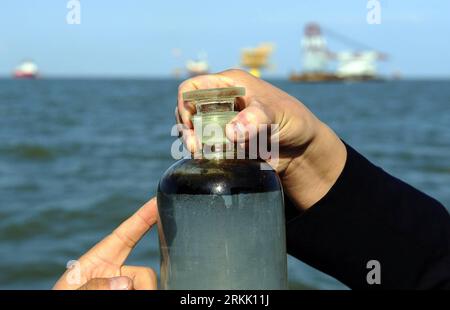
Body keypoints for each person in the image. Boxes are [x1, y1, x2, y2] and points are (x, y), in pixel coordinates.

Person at [54, 69, 450, 290]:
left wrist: (302, 157)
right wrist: (308, 156)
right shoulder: (245, 178)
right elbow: (432, 267)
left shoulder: (257, 179)